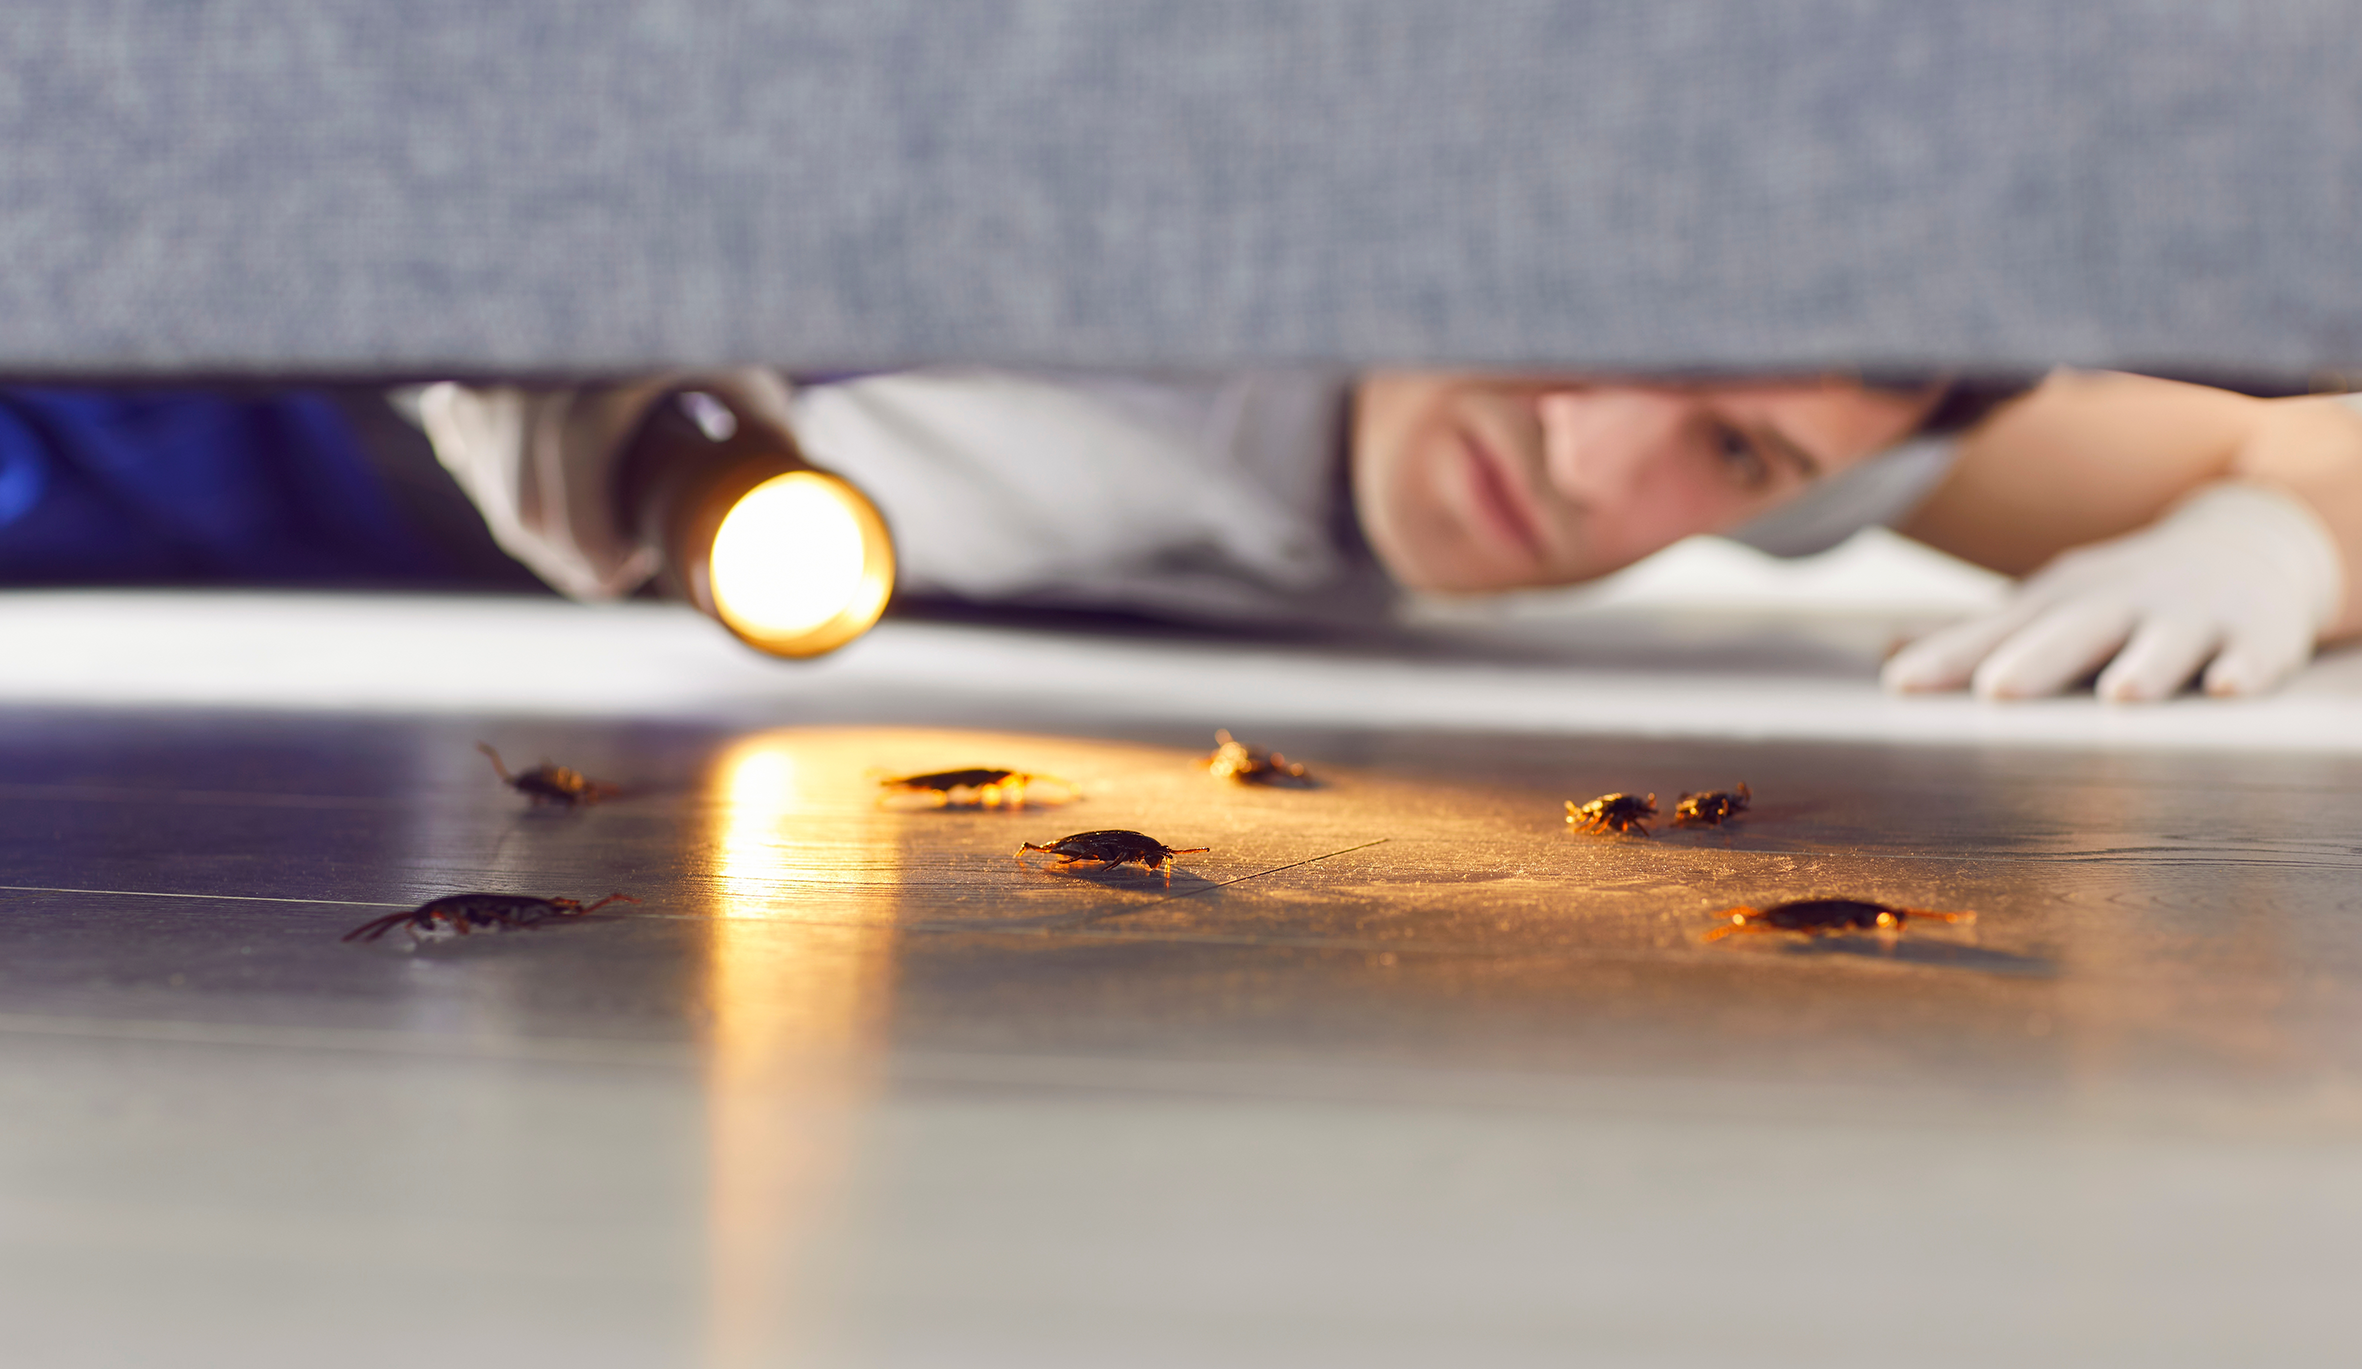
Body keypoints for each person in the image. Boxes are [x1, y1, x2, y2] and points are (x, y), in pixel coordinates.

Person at [416, 364, 2362, 702]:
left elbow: (2322, 448)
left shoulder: (1822, 418)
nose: (1592, 468)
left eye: (1731, 456)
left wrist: (2269, 537)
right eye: (1615, 332)